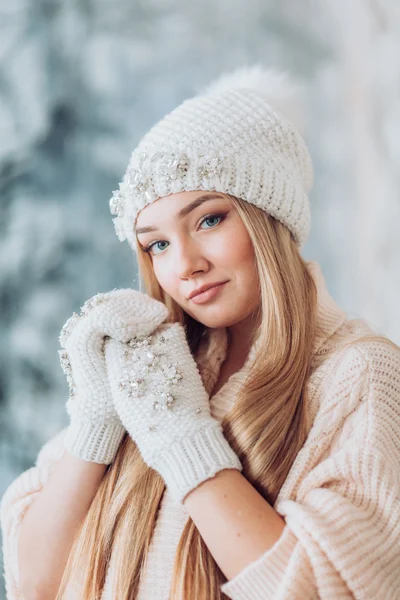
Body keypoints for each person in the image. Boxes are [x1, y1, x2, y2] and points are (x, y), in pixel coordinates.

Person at [1, 64, 400, 600]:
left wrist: (183, 440)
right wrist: (96, 421)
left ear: (270, 216)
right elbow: (33, 584)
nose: (184, 264)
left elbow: (336, 588)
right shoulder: (153, 368)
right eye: (157, 244)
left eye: (209, 219)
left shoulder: (359, 374)